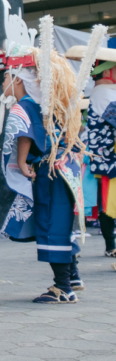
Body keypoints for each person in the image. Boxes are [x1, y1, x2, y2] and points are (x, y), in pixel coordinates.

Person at [0, 0, 92, 303]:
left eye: (5, 76)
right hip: (65, 171)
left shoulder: (26, 105)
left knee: (51, 224)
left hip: (48, 173)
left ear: (18, 79)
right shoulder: (52, 104)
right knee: (60, 223)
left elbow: (23, 135)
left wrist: (22, 162)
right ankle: (71, 279)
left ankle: (63, 287)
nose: (3, 82)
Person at [66, 40, 116, 258]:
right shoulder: (104, 92)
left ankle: (111, 246)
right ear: (110, 69)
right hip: (108, 158)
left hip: (106, 157)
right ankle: (111, 246)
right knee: (109, 203)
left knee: (109, 204)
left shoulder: (105, 91)